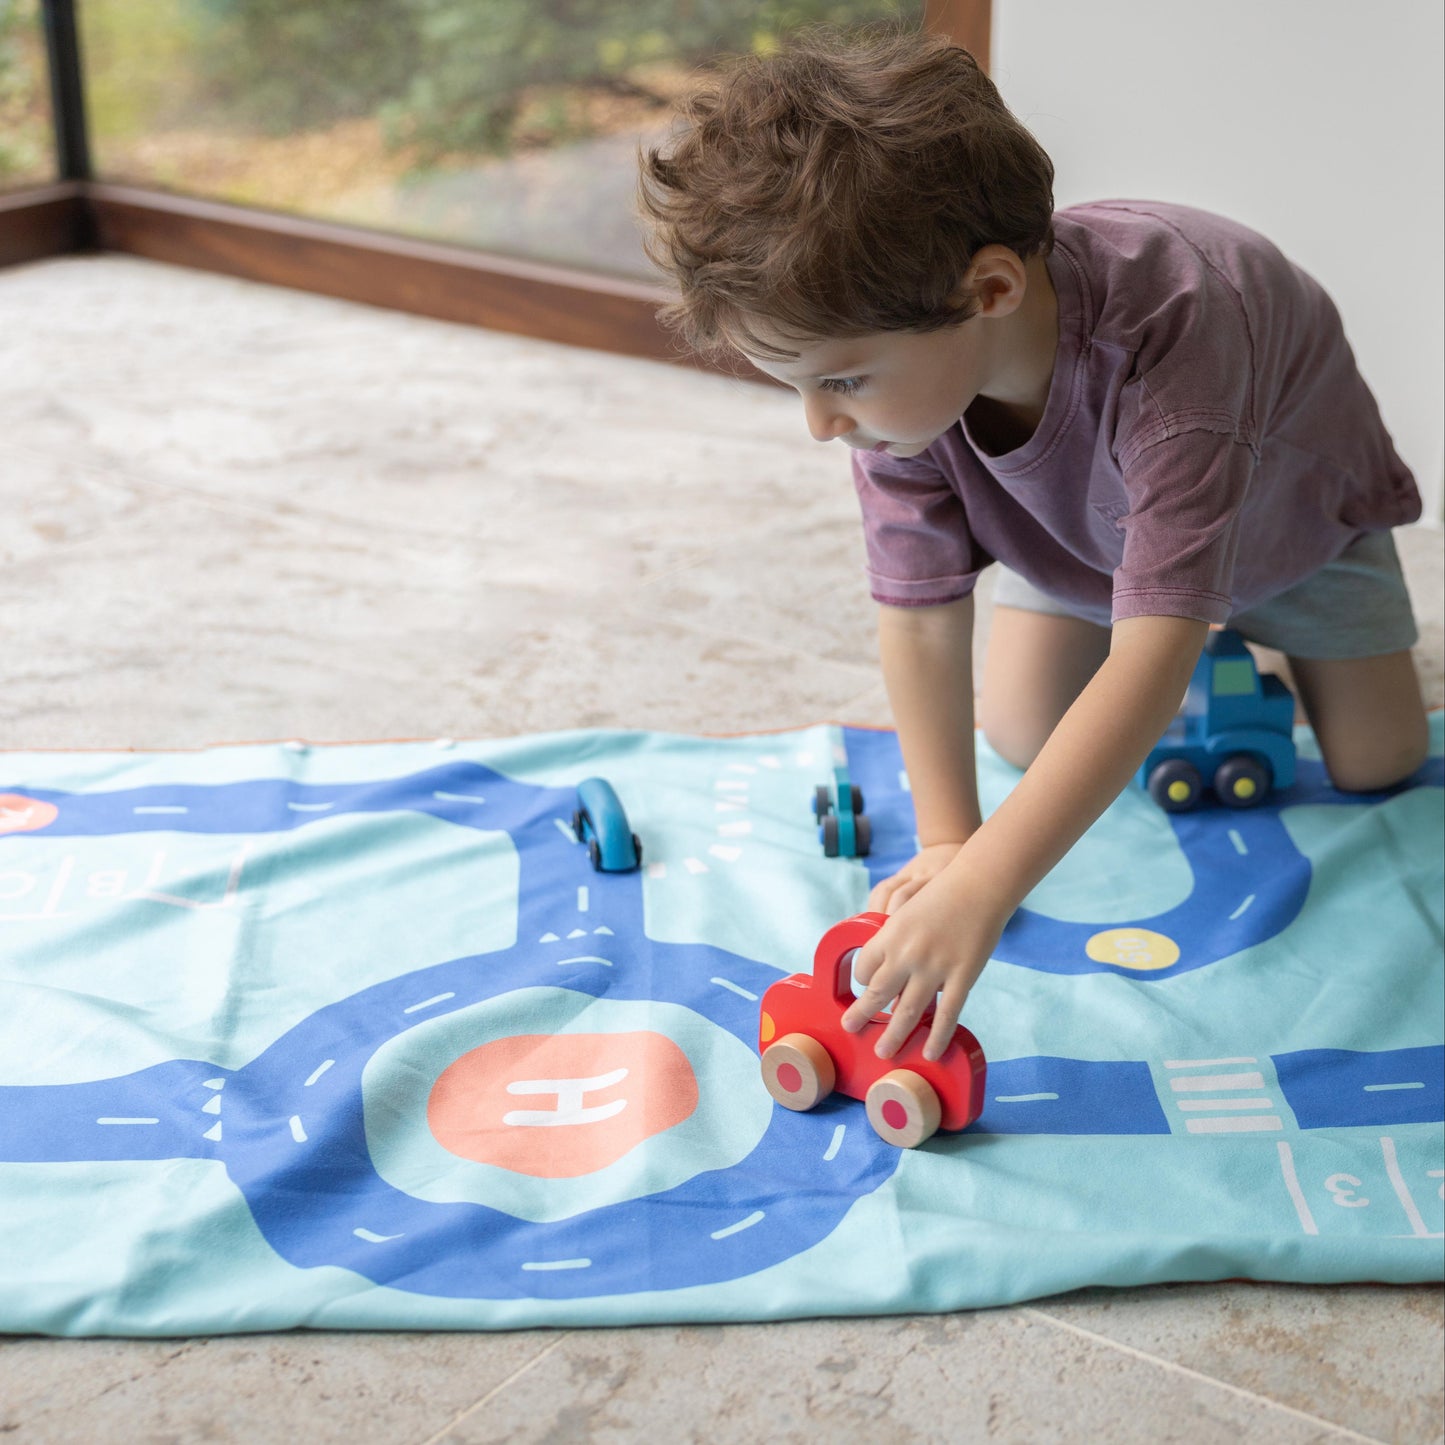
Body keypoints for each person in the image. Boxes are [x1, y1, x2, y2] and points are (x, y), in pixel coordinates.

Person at [637, 25, 1428, 1063]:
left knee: (1379, 761)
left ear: (990, 291)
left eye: (836, 379)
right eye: (798, 385)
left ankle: (1257, 638)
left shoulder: (1177, 334)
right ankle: (1167, 619)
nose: (820, 424)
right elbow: (916, 614)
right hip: (1080, 541)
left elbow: (1154, 650)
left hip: (1292, 521)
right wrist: (947, 844)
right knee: (1015, 730)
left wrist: (987, 887)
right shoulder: (900, 387)